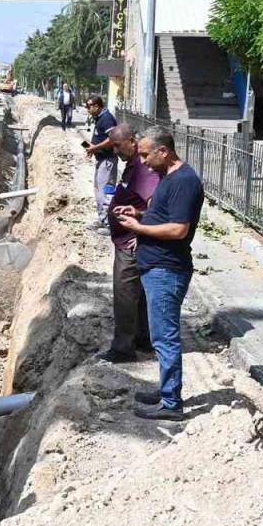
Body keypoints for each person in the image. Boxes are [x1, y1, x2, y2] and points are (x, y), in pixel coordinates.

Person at [114, 127, 205, 421]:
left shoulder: (185, 182)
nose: (142, 161)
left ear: (163, 151)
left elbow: (178, 229)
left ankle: (171, 403)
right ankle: (166, 390)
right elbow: (163, 214)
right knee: (159, 337)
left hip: (167, 270)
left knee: (165, 338)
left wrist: (139, 228)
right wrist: (139, 214)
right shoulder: (169, 177)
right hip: (156, 267)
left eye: (145, 155)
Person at [96, 123, 161, 364]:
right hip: (126, 239)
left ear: (132, 141)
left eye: (117, 146)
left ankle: (123, 349)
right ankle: (143, 338)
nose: (115, 151)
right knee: (138, 293)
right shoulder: (134, 164)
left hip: (130, 243)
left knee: (125, 293)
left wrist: (142, 233)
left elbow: (155, 204)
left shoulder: (143, 170)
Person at [80, 96, 118, 232]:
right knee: (98, 191)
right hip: (101, 159)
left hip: (107, 161)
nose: (87, 109)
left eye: (89, 106)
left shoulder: (107, 118)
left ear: (97, 106)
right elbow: (101, 137)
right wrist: (92, 149)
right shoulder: (99, 118)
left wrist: (95, 148)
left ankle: (109, 224)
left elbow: (113, 139)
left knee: (105, 192)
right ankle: (103, 219)